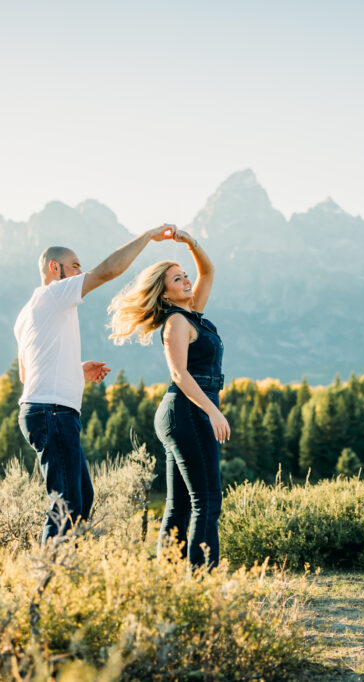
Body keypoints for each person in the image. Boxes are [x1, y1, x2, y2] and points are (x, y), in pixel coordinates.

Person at [15, 224, 174, 544]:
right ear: (53, 268)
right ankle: (45, 588)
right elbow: (108, 271)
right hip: (53, 413)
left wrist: (75, 370)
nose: (80, 271)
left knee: (80, 500)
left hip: (46, 411)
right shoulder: (55, 293)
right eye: (74, 265)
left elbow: (25, 375)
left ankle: (57, 580)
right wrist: (147, 237)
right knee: (67, 507)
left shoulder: (28, 312)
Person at [108, 229, 228, 568]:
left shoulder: (191, 313)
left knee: (180, 505)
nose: (187, 280)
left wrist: (189, 242)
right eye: (178, 279)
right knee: (207, 501)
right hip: (188, 411)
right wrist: (213, 413)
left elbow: (208, 272)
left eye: (184, 275)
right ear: (164, 294)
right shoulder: (176, 321)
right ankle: (201, 584)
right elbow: (179, 373)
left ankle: (169, 583)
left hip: (183, 413)